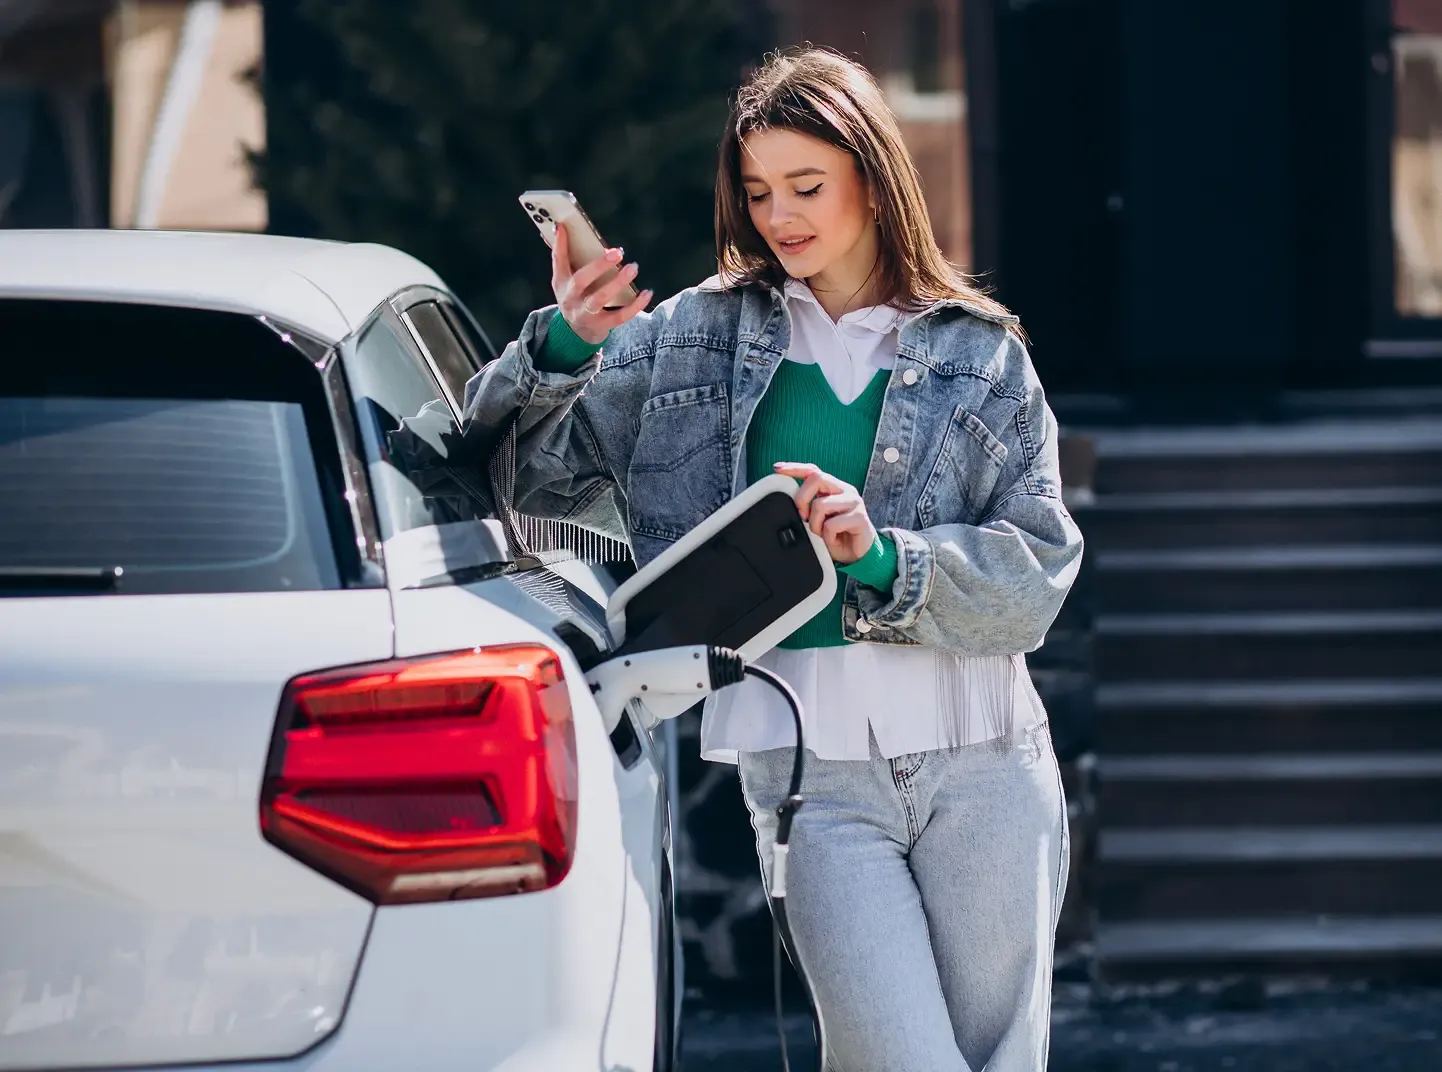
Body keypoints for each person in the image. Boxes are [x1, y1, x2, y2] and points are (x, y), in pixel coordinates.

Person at [464, 46, 1083, 1072]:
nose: (778, 216)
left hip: (986, 768)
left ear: (874, 185)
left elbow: (1037, 576)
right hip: (816, 783)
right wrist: (565, 347)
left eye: (806, 186)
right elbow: (507, 475)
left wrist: (884, 557)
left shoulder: (981, 353)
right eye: (756, 193)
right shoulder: (692, 338)